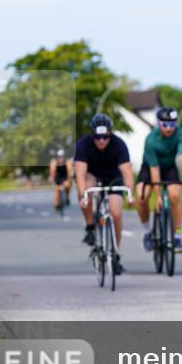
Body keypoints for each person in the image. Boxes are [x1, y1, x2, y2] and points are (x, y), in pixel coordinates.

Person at [74, 114, 134, 273]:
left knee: (116, 212)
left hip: (113, 177)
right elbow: (80, 173)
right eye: (97, 137)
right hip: (92, 175)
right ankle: (89, 226)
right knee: (86, 189)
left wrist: (130, 192)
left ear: (110, 134)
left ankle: (115, 253)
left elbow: (127, 171)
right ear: (92, 135)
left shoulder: (119, 144)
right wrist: (83, 196)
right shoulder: (83, 145)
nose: (101, 141)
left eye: (105, 137)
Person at [136, 106, 182, 253]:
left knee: (175, 196)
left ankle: (177, 236)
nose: (169, 128)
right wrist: (159, 196)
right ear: (158, 123)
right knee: (143, 197)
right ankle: (147, 232)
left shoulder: (181, 133)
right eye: (165, 124)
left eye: (172, 124)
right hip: (149, 167)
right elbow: (154, 170)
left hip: (169, 167)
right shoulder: (151, 140)